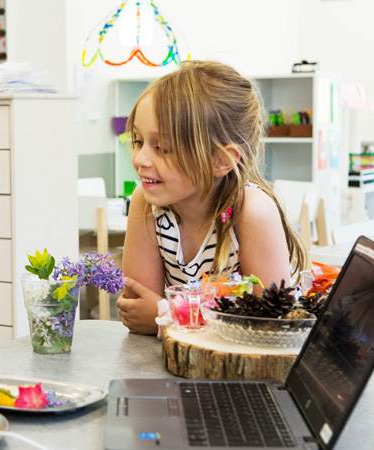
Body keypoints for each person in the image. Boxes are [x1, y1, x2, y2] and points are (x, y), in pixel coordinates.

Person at [117, 61, 307, 335]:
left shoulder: (252, 212)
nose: (140, 159)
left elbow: (272, 328)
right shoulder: (147, 203)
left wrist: (165, 314)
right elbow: (137, 311)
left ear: (220, 160)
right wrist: (160, 317)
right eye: (137, 141)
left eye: (162, 148)